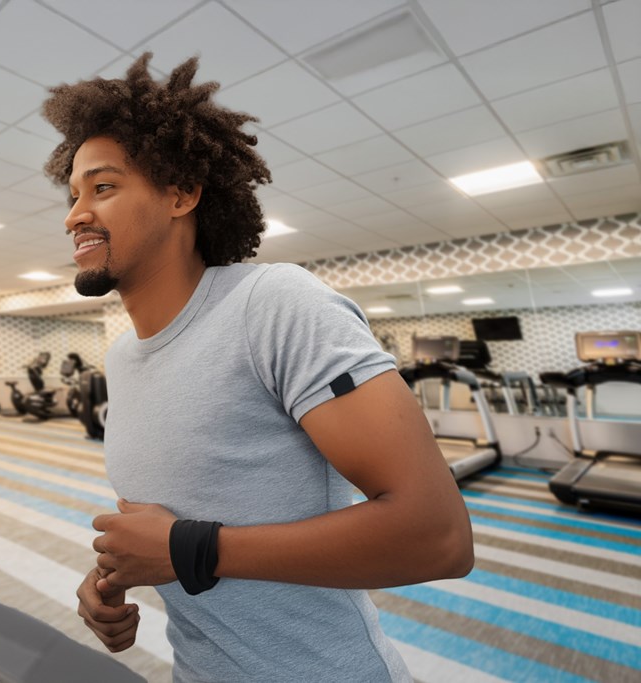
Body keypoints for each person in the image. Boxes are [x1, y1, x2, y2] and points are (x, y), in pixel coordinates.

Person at [41, 53, 473, 682]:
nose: (74, 215)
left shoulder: (273, 305)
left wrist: (191, 550)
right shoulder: (123, 358)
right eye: (74, 194)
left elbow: (438, 536)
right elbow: (167, 524)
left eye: (102, 188)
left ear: (181, 194)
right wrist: (115, 572)